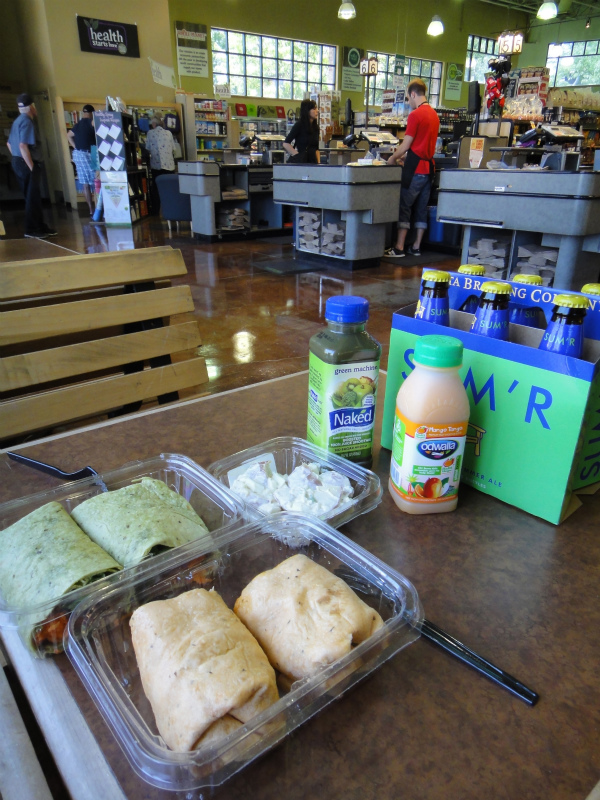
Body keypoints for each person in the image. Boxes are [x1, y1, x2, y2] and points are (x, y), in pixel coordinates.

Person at [385, 79, 440, 258]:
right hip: (429, 167)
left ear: (413, 94)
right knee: (422, 208)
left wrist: (393, 158)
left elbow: (406, 145)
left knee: (405, 206)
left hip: (415, 169)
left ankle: (399, 246)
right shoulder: (434, 115)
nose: (409, 102)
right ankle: (416, 246)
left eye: (409, 98)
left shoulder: (415, 115)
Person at [7, 92, 57, 239]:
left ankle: (40, 226)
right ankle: (32, 229)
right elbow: (23, 146)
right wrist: (31, 166)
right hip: (27, 163)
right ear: (31, 107)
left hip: (18, 162)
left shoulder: (17, 121)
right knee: (33, 197)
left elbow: (9, 144)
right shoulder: (27, 122)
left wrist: (17, 158)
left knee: (31, 196)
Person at [67, 103, 96, 216]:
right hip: (92, 152)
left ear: (83, 113)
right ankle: (99, 208)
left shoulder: (77, 125)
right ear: (92, 113)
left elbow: (68, 135)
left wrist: (76, 146)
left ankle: (90, 210)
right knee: (97, 181)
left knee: (85, 183)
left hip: (79, 154)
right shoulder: (92, 122)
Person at [145, 114, 176, 214]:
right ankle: (171, 210)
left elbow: (148, 149)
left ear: (153, 123)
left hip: (156, 166)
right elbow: (173, 149)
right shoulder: (169, 133)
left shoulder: (150, 133)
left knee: (156, 190)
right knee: (170, 189)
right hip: (170, 166)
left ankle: (155, 211)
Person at [283, 100, 320, 164]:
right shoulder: (299, 125)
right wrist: (297, 155)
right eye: (314, 109)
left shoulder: (316, 127)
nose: (317, 111)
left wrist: (319, 163)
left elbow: (316, 149)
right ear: (307, 110)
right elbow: (286, 143)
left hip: (313, 162)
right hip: (302, 162)